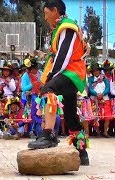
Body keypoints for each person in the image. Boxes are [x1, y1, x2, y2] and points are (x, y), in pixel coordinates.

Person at [28, 0, 90, 166]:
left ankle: (49, 135)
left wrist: (50, 78)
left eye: (46, 12)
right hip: (69, 74)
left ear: (55, 10)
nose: (45, 16)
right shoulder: (59, 28)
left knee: (49, 90)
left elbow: (64, 56)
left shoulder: (67, 27)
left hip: (72, 73)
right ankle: (82, 153)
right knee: (70, 115)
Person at [88, 63, 113, 138]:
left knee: (107, 116)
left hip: (105, 99)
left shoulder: (104, 79)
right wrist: (96, 94)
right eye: (94, 71)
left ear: (99, 71)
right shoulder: (90, 79)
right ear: (92, 72)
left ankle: (105, 132)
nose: (96, 72)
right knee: (96, 116)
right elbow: (90, 89)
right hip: (94, 99)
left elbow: (108, 88)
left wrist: (102, 94)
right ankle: (98, 132)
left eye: (97, 70)